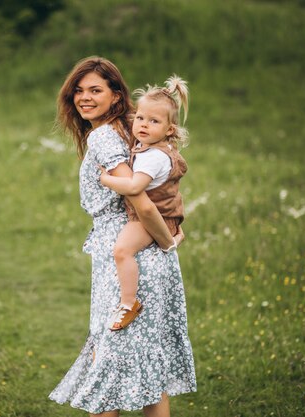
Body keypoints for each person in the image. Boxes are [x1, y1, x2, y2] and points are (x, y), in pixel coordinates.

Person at [49, 56, 196, 417]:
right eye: (79, 91)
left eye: (95, 90)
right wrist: (168, 240)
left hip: (128, 257)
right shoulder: (133, 129)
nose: (84, 97)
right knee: (150, 368)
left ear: (117, 96)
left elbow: (142, 202)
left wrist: (167, 242)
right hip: (145, 253)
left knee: (106, 364)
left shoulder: (105, 135)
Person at [99, 75, 190, 331]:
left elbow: (135, 187)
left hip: (152, 217)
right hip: (162, 214)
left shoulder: (154, 157)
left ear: (169, 130)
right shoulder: (149, 145)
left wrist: (106, 179)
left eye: (154, 121)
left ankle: (129, 304)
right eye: (140, 117)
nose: (143, 125)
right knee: (122, 251)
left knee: (122, 251)